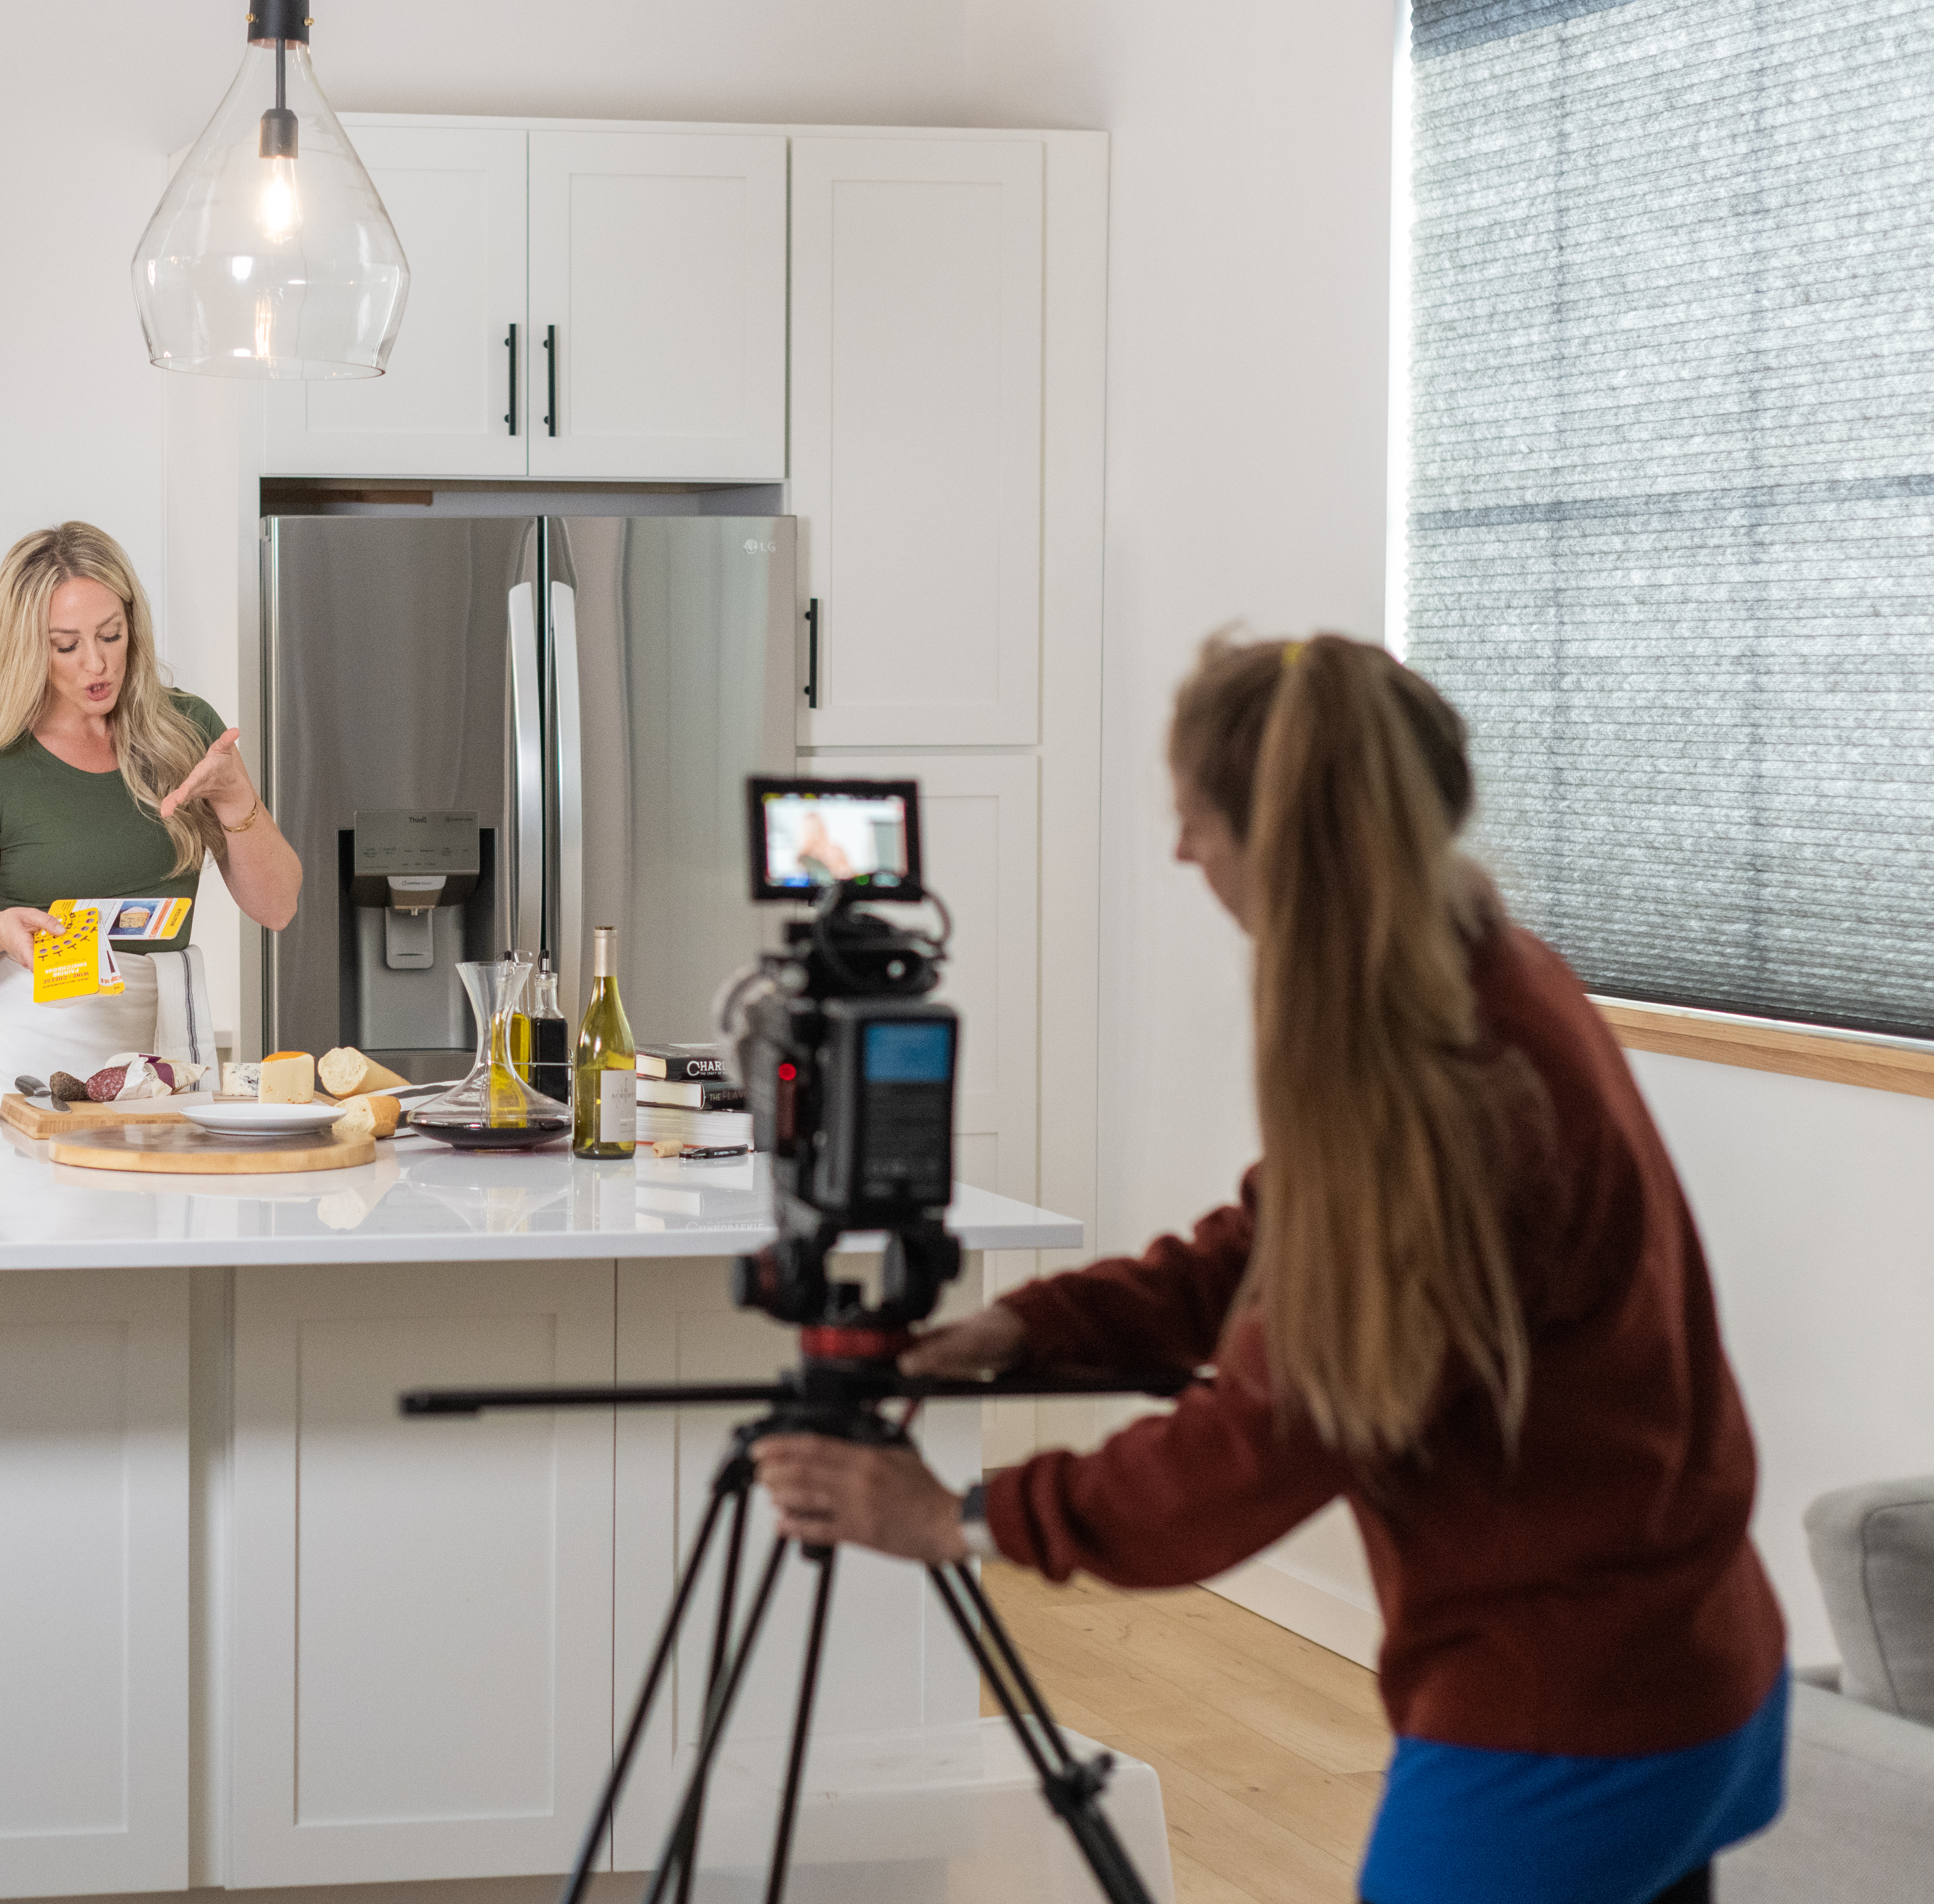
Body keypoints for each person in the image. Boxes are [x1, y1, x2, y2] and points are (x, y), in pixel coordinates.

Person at [752, 633, 1785, 1904]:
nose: (1183, 851)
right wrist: (1035, 1326)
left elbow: (1262, 1436)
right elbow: (1279, 1239)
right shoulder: (1477, 980)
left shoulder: (1441, 1091)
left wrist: (952, 1515)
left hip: (1568, 1715)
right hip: (1692, 1654)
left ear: (1282, 836)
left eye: (1195, 816)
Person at [0, 522, 300, 1092]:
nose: (96, 663)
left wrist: (237, 794)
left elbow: (279, 908)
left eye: (111, 635)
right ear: (26, 648)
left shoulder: (187, 733)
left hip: (157, 1068)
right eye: (66, 645)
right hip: (23, 1074)